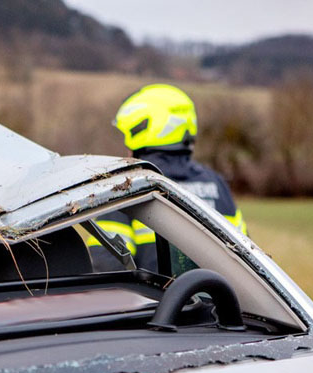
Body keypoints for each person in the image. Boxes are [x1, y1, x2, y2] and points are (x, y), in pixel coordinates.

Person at [98, 83, 247, 270]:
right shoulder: (217, 185)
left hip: (158, 292)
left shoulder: (127, 187)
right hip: (214, 290)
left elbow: (106, 268)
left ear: (141, 132)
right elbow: (247, 263)